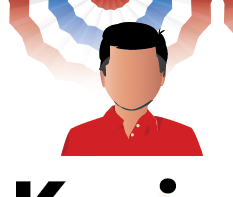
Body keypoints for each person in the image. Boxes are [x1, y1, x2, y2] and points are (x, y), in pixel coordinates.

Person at [60, 21, 201, 156]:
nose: (133, 82)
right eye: (121, 72)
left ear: (162, 76)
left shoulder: (183, 138)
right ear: (103, 76)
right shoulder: (79, 139)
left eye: (144, 72)